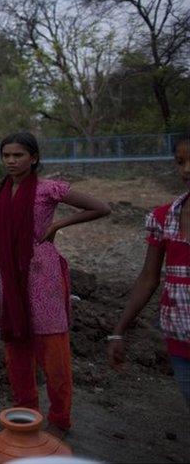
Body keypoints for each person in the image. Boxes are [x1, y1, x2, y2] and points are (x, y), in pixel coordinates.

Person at [0, 131, 110, 434]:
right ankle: (26, 416)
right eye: (7, 155)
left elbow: (101, 208)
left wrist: (58, 224)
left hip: (43, 275)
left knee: (53, 351)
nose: (12, 161)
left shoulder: (48, 190)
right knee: (17, 350)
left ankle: (59, 420)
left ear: (34, 158)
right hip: (12, 281)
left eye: (19, 155)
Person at [108, 134, 190, 408]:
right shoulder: (164, 217)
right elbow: (149, 277)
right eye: (181, 162)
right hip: (180, 341)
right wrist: (119, 329)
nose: (186, 169)